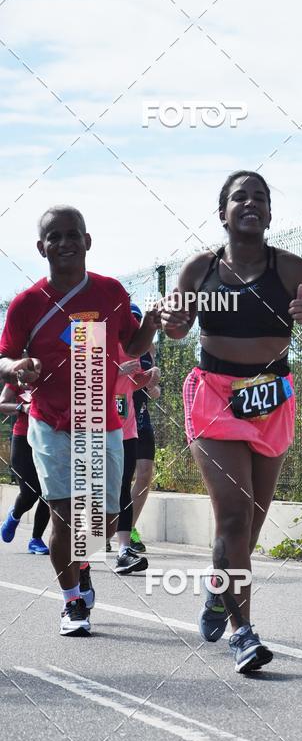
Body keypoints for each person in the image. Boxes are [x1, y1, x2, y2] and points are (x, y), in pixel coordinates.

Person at [162, 171, 302, 673]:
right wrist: (171, 319)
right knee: (233, 518)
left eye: (260, 197)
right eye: (240, 197)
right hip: (215, 396)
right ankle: (245, 634)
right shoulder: (200, 268)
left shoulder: (291, 269)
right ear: (224, 213)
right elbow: (178, 331)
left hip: (271, 399)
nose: (251, 203)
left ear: (268, 214)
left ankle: (219, 591)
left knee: (250, 526)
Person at [0, 205, 160, 635]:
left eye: (73, 235)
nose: (65, 243)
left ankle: (82, 562)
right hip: (50, 422)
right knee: (64, 514)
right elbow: (3, 358)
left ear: (87, 241)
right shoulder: (26, 304)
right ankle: (72, 602)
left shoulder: (110, 293)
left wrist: (155, 326)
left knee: (102, 523)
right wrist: (17, 367)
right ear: (41, 247)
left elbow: (133, 342)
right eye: (55, 236)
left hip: (101, 420)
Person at [113, 340, 159, 573]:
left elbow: (139, 384)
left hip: (131, 423)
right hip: (96, 420)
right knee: (98, 486)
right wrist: (117, 371)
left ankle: (124, 547)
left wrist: (151, 379)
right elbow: (80, 376)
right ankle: (83, 551)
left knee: (127, 483)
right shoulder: (93, 333)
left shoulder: (143, 347)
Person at [0, 381, 50, 553]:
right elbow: (2, 403)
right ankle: (14, 516)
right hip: (23, 438)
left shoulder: (55, 376)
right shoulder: (17, 379)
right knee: (30, 492)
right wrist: (22, 407)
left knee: (49, 492)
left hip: (50, 439)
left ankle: (36, 540)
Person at [129, 303, 160, 553]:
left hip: (141, 417)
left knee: (145, 474)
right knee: (117, 477)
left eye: (137, 320)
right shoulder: (113, 347)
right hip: (117, 418)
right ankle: (106, 528)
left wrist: (153, 387)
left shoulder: (149, 348)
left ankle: (129, 528)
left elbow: (154, 391)